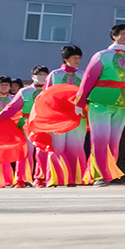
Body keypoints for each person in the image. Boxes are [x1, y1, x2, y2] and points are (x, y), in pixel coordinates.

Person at [73, 24, 125, 185]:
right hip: (100, 101)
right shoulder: (102, 55)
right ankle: (99, 175)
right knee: (100, 140)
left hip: (123, 103)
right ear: (114, 36)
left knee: (114, 141)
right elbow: (88, 80)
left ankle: (110, 173)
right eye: (123, 33)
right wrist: (80, 102)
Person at [45, 46, 87, 186]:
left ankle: (76, 179)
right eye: (74, 57)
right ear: (65, 59)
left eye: (79, 58)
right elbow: (45, 96)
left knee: (76, 147)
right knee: (57, 147)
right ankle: (57, 179)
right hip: (58, 116)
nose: (77, 60)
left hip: (77, 116)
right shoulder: (54, 75)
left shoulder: (83, 75)